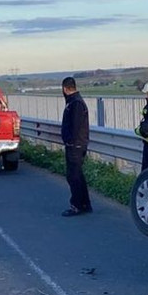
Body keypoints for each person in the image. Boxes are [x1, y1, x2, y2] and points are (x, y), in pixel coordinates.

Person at [60, 76, 92, 217]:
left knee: (73, 176)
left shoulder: (76, 104)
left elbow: (75, 125)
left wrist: (70, 141)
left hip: (76, 145)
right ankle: (84, 203)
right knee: (78, 174)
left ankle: (77, 205)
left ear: (65, 89)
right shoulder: (74, 102)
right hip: (76, 144)